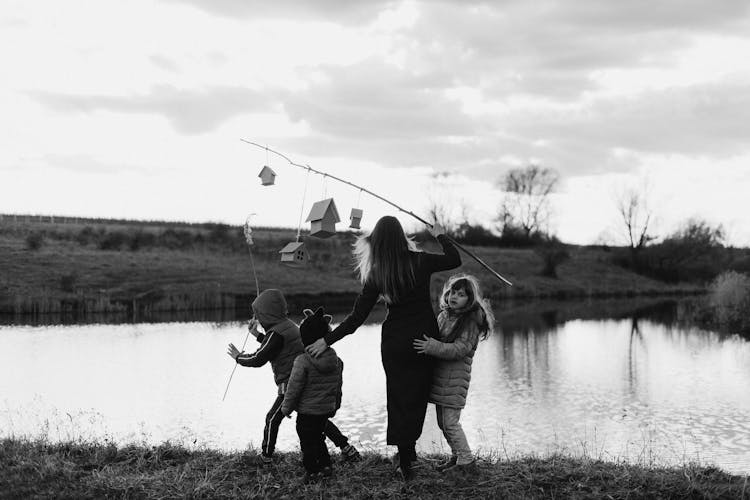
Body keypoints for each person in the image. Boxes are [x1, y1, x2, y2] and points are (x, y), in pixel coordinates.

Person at [306, 216, 461, 480]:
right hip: (424, 340)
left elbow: (356, 318)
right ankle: (407, 454)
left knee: (399, 397)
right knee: (416, 397)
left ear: (377, 241)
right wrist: (440, 235)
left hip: (395, 342)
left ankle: (405, 457)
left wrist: (326, 340)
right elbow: (454, 259)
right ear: (402, 237)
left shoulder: (378, 272)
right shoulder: (421, 260)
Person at [226, 289, 360, 465]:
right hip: (305, 378)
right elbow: (276, 346)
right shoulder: (287, 325)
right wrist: (257, 335)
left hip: (292, 382)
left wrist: (238, 357)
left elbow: (259, 358)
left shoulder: (275, 334)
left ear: (267, 313)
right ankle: (347, 449)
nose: (256, 317)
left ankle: (266, 456)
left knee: (273, 418)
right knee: (318, 420)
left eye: (258, 314)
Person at [413, 273, 494, 473]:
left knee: (450, 423)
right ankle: (457, 456)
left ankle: (467, 462)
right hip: (441, 379)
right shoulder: (445, 315)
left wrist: (432, 346)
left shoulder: (470, 321)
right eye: (452, 292)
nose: (454, 297)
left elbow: (460, 349)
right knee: (443, 423)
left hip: (454, 380)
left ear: (470, 299)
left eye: (461, 294)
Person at [281, 307, 344, 483]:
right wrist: (335, 406)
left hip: (307, 411)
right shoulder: (337, 361)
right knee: (318, 437)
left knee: (307, 441)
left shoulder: (303, 361)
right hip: (325, 410)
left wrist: (286, 408)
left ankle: (312, 470)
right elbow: (338, 387)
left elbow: (294, 388)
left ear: (305, 339)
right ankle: (326, 465)